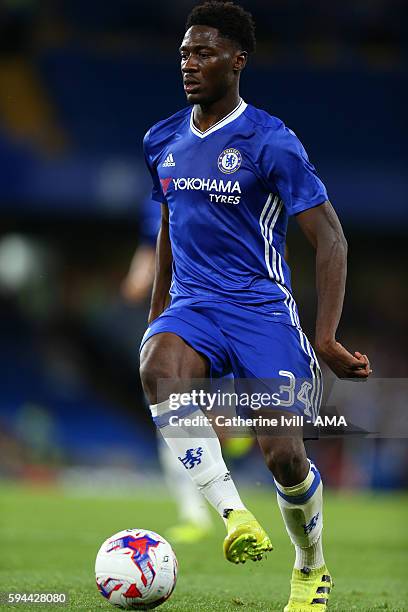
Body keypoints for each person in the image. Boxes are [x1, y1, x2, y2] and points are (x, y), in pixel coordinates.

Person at [139, 2, 371, 610]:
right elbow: (169, 223)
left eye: (204, 53)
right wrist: (159, 313)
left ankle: (310, 565)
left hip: (261, 311)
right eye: (185, 52)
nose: (189, 64)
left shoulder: (271, 141)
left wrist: (325, 337)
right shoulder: (160, 138)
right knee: (158, 369)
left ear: (237, 61)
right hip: (194, 305)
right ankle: (235, 515)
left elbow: (331, 238)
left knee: (285, 457)